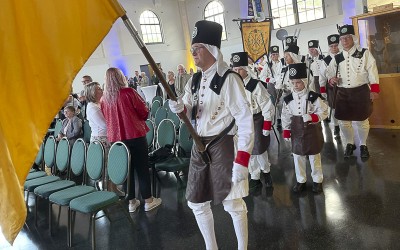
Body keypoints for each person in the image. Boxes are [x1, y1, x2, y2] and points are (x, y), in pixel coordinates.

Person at [169, 20, 254, 250]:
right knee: (196, 203)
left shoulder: (229, 79)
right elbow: (187, 108)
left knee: (233, 204)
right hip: (200, 147)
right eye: (192, 49)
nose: (193, 52)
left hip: (223, 146)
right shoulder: (194, 80)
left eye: (197, 48)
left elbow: (246, 122)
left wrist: (242, 161)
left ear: (211, 49)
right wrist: (180, 109)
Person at [101, 67, 162, 213]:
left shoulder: (104, 99)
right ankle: (148, 200)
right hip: (134, 134)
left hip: (117, 140)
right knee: (142, 168)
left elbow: (106, 118)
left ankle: (132, 202)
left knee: (127, 171)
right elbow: (144, 111)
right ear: (120, 77)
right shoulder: (128, 92)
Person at [327, 24, 379, 159]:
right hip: (343, 93)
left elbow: (372, 70)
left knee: (362, 121)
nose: (344, 41)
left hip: (361, 91)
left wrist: (374, 89)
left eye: (347, 38)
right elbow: (330, 73)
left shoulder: (364, 53)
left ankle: (363, 144)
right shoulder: (337, 57)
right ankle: (350, 143)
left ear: (353, 38)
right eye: (342, 38)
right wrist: (332, 80)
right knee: (344, 121)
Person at [281, 63, 328, 193]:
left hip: (312, 129)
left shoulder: (313, 96)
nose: (296, 85)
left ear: (305, 82)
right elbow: (285, 115)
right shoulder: (288, 99)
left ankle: (317, 180)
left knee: (314, 155)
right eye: (293, 82)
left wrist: (314, 117)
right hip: (296, 129)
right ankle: (301, 180)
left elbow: (324, 111)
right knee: (298, 156)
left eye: (299, 82)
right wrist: (286, 130)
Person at [232, 51, 274, 190]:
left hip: (256, 120)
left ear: (246, 69)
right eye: (235, 69)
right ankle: (254, 176)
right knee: (246, 151)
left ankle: (266, 172)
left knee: (259, 150)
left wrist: (267, 124)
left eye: (240, 69)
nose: (237, 72)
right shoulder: (233, 86)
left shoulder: (255, 85)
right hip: (241, 123)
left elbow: (267, 104)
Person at [84, 82, 123, 195]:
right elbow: (105, 125)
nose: (101, 90)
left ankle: (113, 188)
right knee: (106, 166)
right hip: (101, 139)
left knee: (111, 164)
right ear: (92, 92)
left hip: (105, 137)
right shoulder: (93, 107)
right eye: (98, 89)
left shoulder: (98, 104)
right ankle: (108, 191)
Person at [319, 34, 341, 136]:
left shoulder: (344, 56)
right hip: (332, 87)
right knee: (333, 107)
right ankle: (336, 125)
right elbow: (322, 76)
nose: (334, 48)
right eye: (331, 46)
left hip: (345, 86)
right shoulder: (326, 60)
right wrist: (323, 90)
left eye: (336, 45)